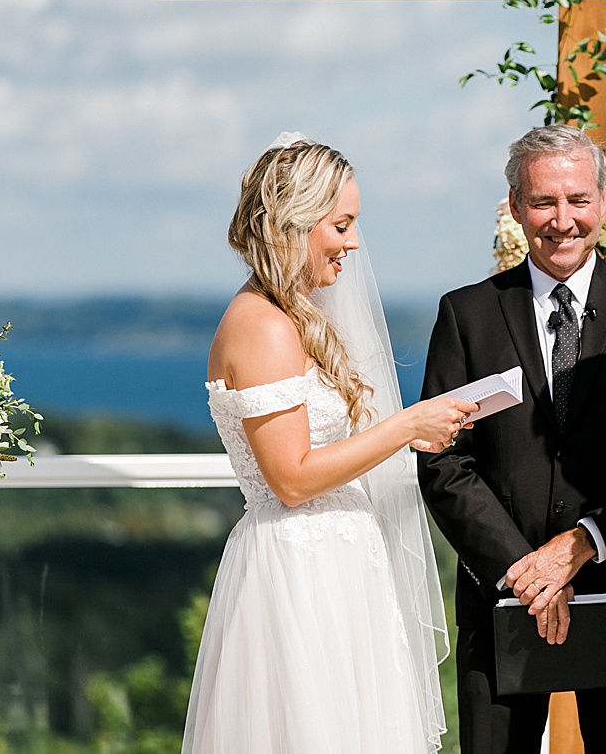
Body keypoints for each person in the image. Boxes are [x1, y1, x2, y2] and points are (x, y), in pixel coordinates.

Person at [182, 133, 479, 754]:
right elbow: (290, 479)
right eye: (341, 224)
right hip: (299, 573)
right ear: (296, 223)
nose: (353, 242)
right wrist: (406, 427)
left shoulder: (290, 316)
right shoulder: (262, 327)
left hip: (338, 566)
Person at [418, 124, 606, 754]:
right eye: (544, 202)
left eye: (578, 200)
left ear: (604, 202)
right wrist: (525, 570)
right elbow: (444, 463)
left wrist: (583, 546)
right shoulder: (465, 315)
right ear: (516, 207)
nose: (562, 220)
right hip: (502, 598)